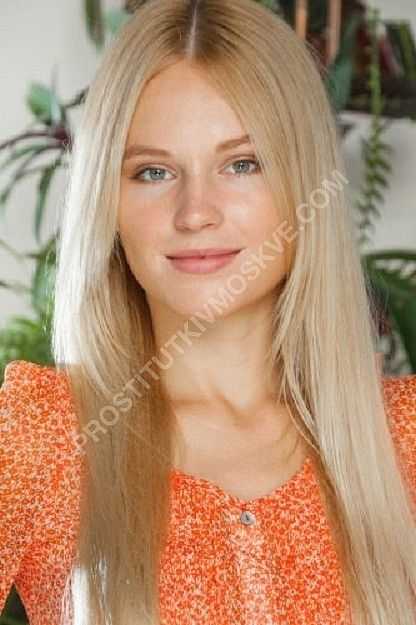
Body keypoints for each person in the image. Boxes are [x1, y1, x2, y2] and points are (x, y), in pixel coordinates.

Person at [0, 1, 415, 624]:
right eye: (153, 171)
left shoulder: (402, 440)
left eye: (242, 164)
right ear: (107, 203)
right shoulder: (44, 437)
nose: (196, 212)